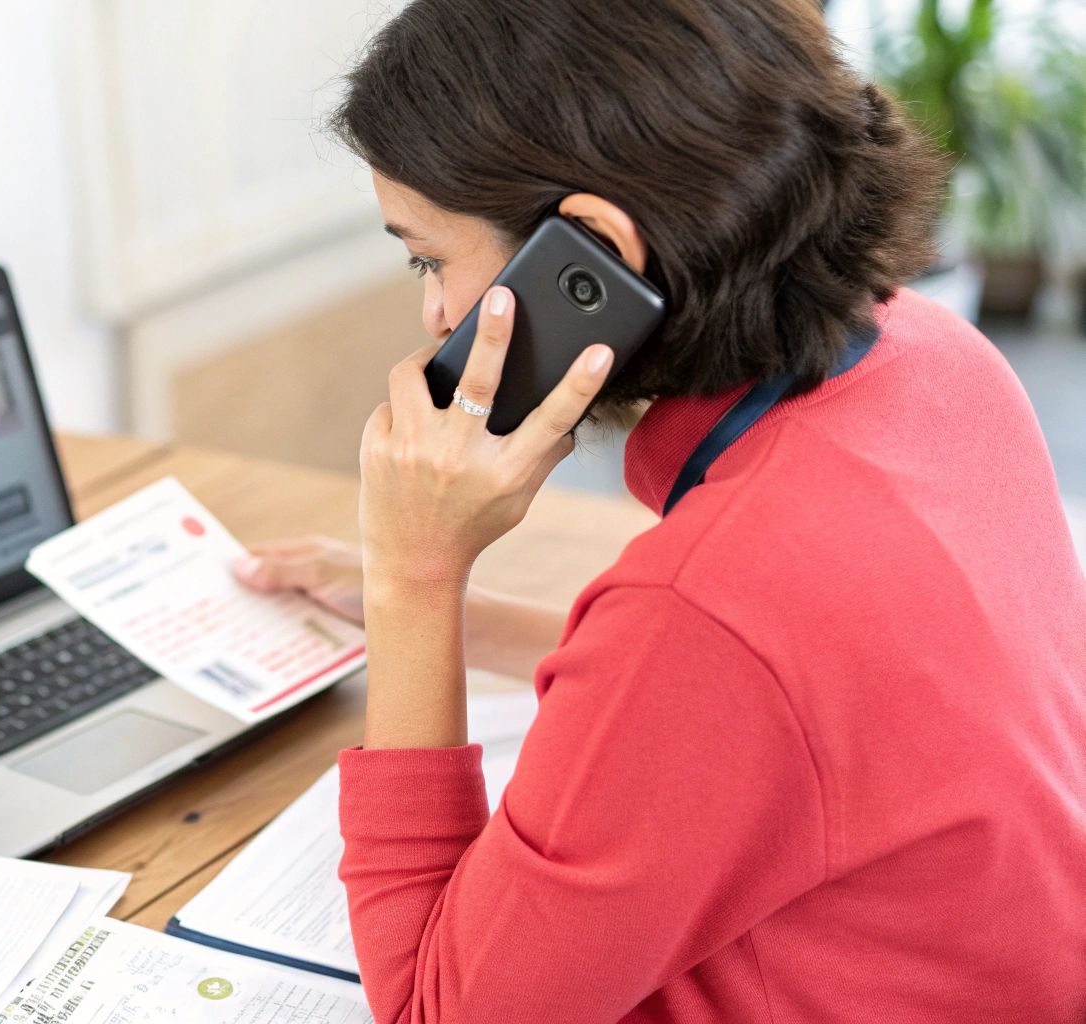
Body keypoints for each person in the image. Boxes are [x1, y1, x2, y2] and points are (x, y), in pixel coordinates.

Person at [229, 1, 1086, 1020]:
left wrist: (417, 578)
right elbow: (783, 699)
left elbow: (433, 1009)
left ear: (585, 255)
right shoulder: (938, 361)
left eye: (428, 259)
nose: (433, 317)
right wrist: (424, 609)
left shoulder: (710, 607)